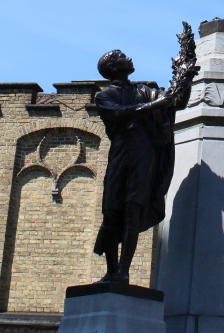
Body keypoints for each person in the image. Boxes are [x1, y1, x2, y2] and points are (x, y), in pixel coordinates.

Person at [93, 50, 180, 284]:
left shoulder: (145, 91)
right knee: (111, 212)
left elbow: (175, 102)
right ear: (112, 67)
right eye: (121, 56)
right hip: (121, 155)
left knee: (134, 210)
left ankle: (123, 271)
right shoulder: (104, 96)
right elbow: (119, 113)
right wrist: (153, 105)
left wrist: (185, 75)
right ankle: (111, 270)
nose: (128, 57)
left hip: (144, 155)